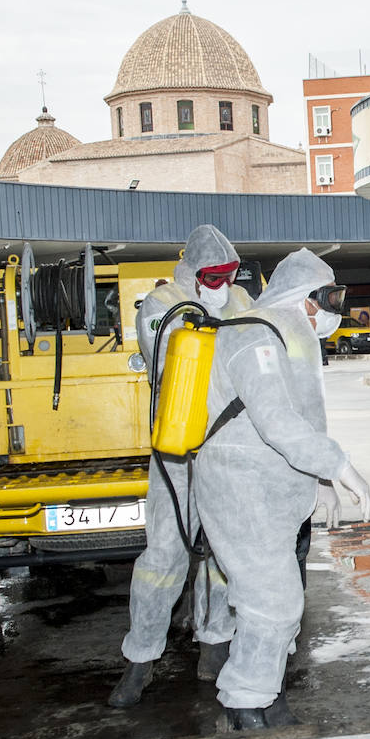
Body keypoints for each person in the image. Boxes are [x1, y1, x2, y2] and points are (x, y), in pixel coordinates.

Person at [193, 247, 370, 730]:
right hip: (239, 490)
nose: (335, 308)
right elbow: (274, 420)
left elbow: (304, 416)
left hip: (267, 491)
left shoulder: (290, 335)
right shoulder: (257, 334)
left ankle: (264, 694)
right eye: (329, 297)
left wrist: (317, 483)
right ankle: (243, 702)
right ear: (304, 296)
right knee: (271, 600)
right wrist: (337, 466)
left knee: (279, 599)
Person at [109, 224, 254, 708]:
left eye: (230, 277)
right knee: (163, 557)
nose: (224, 287)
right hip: (176, 451)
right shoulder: (162, 304)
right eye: (214, 278)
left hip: (227, 449)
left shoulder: (239, 303)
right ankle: (141, 660)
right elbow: (170, 362)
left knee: (221, 553)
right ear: (192, 275)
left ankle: (214, 646)